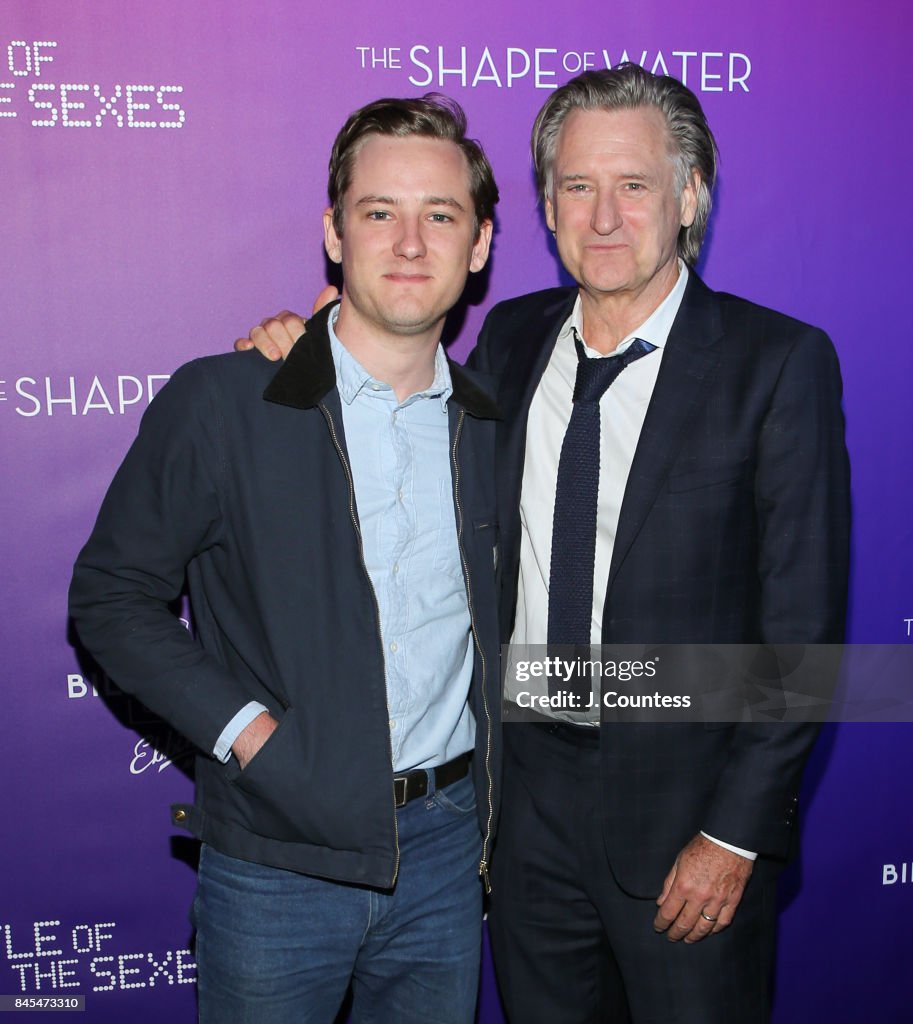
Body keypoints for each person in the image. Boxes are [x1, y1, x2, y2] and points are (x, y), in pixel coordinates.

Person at [238, 65, 850, 1024]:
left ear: (688, 197)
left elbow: (802, 637)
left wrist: (733, 836)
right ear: (547, 207)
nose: (603, 216)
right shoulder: (510, 344)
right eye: (576, 187)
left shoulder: (774, 364)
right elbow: (385, 385)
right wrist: (298, 338)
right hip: (519, 812)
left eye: (633, 186)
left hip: (686, 821)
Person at [69, 93, 503, 1024]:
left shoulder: (495, 425)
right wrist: (249, 735)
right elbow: (111, 596)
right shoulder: (225, 402)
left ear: (479, 247)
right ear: (333, 235)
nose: (410, 242)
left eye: (442, 215)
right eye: (379, 212)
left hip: (445, 854)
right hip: (275, 861)